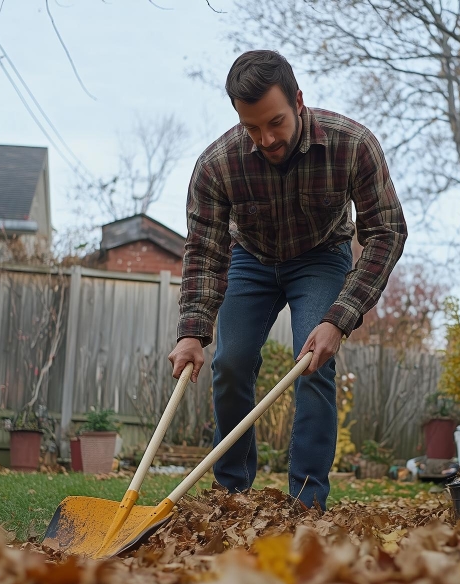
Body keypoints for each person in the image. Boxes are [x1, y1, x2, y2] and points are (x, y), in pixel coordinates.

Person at [168, 50, 407, 511]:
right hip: (251, 258)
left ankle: (306, 503)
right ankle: (232, 497)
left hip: (321, 255)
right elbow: (204, 251)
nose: (266, 139)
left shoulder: (351, 144)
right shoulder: (217, 165)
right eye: (252, 127)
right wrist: (192, 332)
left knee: (312, 363)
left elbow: (386, 232)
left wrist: (338, 319)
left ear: (298, 100)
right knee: (230, 363)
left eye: (275, 122)